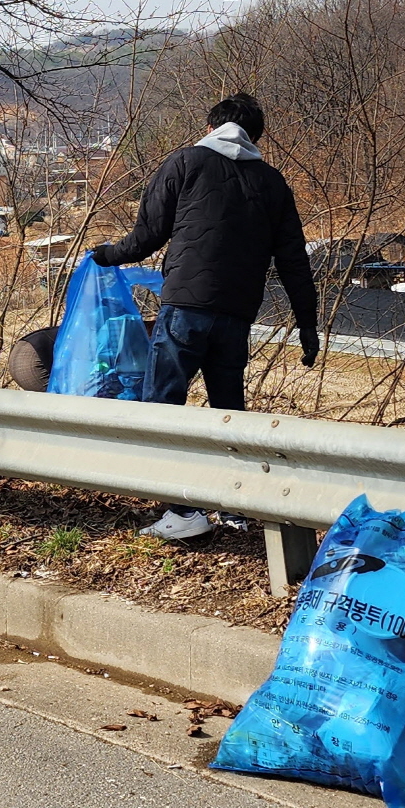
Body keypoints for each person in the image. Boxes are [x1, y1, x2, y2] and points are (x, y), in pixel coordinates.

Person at [92, 93, 320, 540]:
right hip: (236, 315)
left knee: (164, 407)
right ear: (255, 135)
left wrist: (105, 256)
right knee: (229, 412)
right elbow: (294, 259)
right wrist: (307, 324)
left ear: (212, 127)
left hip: (185, 309)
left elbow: (147, 236)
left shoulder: (186, 162)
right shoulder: (272, 183)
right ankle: (234, 505)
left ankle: (183, 511)